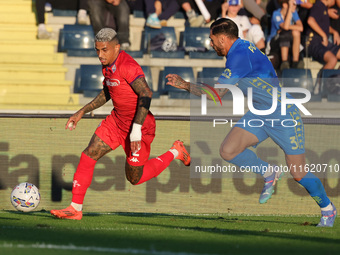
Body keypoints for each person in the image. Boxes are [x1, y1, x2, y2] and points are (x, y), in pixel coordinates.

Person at [166, 18, 337, 227]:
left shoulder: (238, 56)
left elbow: (216, 94)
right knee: (228, 150)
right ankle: (269, 172)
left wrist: (184, 85)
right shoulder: (242, 46)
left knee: (298, 172)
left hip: (283, 114)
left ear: (222, 38)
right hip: (260, 112)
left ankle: (328, 210)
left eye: (212, 40)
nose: (210, 44)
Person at [50, 28, 191, 220]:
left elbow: (146, 93)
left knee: (135, 178)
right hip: (116, 122)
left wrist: (136, 131)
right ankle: (75, 208)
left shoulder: (128, 66)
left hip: (140, 127)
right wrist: (82, 111)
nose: (100, 55)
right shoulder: (107, 64)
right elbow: (108, 92)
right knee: (89, 154)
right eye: (97, 50)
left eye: (104, 50)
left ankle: (176, 151)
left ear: (117, 47)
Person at [266, 0, 304, 71]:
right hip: (275, 41)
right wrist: (289, 10)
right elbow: (285, 27)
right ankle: (284, 62)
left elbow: (301, 28)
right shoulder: (276, 14)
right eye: (293, 4)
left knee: (296, 32)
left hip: (288, 40)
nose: (295, 6)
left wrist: (289, 27)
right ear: (285, 5)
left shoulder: (294, 12)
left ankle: (295, 62)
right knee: (284, 33)